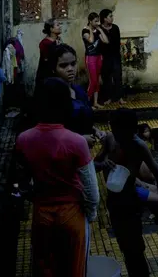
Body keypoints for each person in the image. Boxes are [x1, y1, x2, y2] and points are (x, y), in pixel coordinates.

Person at [16, 78, 99, 277]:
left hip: (42, 213)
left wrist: (35, 195)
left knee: (45, 268)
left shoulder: (24, 139)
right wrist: (91, 213)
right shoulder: (77, 142)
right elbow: (91, 189)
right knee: (75, 269)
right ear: (65, 105)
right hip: (72, 213)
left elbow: (22, 182)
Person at [94, 108, 158, 277]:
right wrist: (103, 165)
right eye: (114, 130)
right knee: (124, 246)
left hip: (130, 199)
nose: (117, 135)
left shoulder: (138, 146)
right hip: (113, 200)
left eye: (122, 132)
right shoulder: (111, 140)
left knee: (135, 248)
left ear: (132, 130)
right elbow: (91, 166)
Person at [49, 44, 104, 147]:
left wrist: (94, 130)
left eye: (73, 64)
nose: (70, 69)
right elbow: (50, 134)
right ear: (53, 68)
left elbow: (82, 118)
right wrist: (80, 139)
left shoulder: (79, 91)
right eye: (63, 65)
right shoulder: (50, 96)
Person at [82, 12, 108, 109]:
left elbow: (106, 41)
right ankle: (86, 104)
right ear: (90, 21)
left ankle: (95, 103)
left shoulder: (97, 30)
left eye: (98, 21)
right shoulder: (85, 31)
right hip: (90, 57)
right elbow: (91, 41)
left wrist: (100, 29)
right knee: (92, 81)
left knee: (97, 81)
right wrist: (91, 30)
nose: (97, 23)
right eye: (95, 21)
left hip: (98, 57)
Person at [99, 9, 124, 105]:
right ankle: (108, 97)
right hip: (105, 57)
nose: (112, 18)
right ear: (105, 18)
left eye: (112, 16)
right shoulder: (100, 29)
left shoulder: (115, 28)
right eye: (110, 16)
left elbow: (116, 43)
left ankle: (119, 97)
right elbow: (101, 44)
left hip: (115, 56)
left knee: (118, 77)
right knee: (107, 78)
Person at [36, 18, 61, 87]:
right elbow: (47, 61)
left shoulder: (58, 40)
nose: (60, 27)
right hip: (47, 77)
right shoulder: (45, 43)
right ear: (51, 29)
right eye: (57, 25)